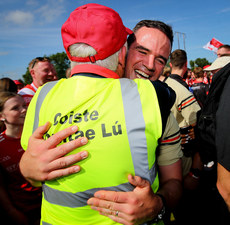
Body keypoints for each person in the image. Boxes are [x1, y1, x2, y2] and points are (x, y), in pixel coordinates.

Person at [20, 4, 182, 225]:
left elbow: (174, 181)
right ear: (123, 49)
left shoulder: (161, 111)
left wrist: (158, 206)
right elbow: (32, 164)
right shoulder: (47, 96)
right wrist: (27, 168)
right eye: (142, 51)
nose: (150, 65)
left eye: (161, 59)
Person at [0, 92, 42, 225]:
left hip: (50, 204)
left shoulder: (39, 134)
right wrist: (12, 212)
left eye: (24, 105)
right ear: (1, 116)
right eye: (15, 108)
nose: (24, 110)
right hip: (23, 213)